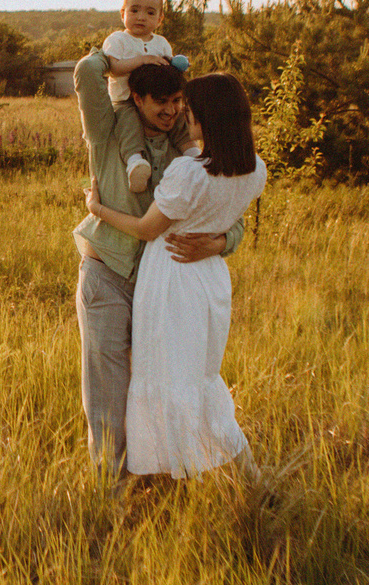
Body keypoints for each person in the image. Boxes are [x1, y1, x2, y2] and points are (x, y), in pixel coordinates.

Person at [84, 73, 267, 479]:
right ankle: (236, 471)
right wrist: (218, 242)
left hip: (171, 278)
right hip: (210, 280)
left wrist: (97, 210)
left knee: (169, 377)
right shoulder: (256, 170)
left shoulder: (190, 171)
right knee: (200, 376)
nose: (184, 112)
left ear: (208, 117)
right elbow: (224, 217)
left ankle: (180, 467)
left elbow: (149, 229)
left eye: (190, 108)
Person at [101, 0, 181, 193]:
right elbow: (115, 68)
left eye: (150, 12)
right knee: (128, 124)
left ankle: (191, 153)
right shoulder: (118, 40)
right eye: (134, 10)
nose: (141, 17)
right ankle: (135, 163)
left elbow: (167, 69)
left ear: (159, 19)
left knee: (178, 115)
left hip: (156, 98)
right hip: (125, 99)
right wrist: (143, 60)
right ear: (122, 13)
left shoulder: (161, 43)